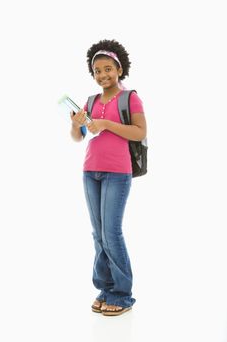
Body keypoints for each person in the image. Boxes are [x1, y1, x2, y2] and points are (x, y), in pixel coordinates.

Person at [70, 39, 147, 316]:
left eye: (107, 69)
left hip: (118, 172)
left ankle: (122, 295)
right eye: (97, 71)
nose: (102, 75)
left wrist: (106, 124)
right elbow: (78, 137)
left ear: (119, 68)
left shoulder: (130, 98)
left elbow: (139, 132)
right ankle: (105, 289)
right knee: (98, 234)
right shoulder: (90, 101)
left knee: (111, 233)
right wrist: (75, 124)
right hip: (90, 171)